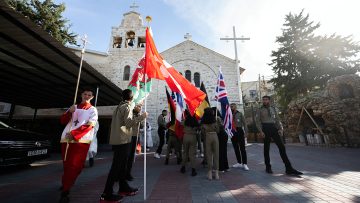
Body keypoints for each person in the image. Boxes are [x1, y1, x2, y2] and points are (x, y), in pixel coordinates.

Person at [100, 89, 148, 202]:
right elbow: (129, 123)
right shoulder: (127, 107)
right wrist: (142, 117)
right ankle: (107, 193)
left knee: (122, 165)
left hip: (119, 139)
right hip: (123, 140)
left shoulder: (119, 106)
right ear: (131, 99)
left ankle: (123, 187)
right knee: (116, 167)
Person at [59, 88, 98, 203]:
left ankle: (67, 185)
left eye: (89, 95)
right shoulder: (73, 107)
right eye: (85, 94)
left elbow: (90, 125)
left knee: (76, 166)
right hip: (66, 140)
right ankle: (66, 188)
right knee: (67, 165)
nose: (86, 96)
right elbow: (62, 121)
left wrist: (75, 134)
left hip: (81, 141)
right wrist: (69, 112)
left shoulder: (93, 110)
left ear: (92, 97)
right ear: (81, 95)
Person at [256, 95, 303, 175]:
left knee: (282, 147)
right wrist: (261, 131)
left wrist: (281, 128)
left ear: (269, 101)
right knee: (266, 149)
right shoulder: (260, 110)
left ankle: (289, 168)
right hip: (265, 128)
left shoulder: (273, 108)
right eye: (263, 100)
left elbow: (277, 119)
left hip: (274, 127)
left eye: (266, 100)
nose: (264, 101)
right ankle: (268, 167)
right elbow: (258, 122)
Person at [201, 107, 220, 180]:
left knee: (208, 155)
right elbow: (218, 130)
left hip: (207, 137)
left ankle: (209, 173)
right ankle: (216, 173)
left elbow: (202, 133)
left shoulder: (203, 123)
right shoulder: (215, 121)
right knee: (216, 154)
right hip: (214, 136)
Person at [230, 103, 249, 171]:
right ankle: (239, 162)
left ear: (235, 106)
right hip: (233, 132)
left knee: (242, 148)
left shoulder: (240, 114)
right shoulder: (229, 114)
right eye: (231, 106)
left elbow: (245, 123)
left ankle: (245, 164)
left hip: (239, 130)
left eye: (232, 106)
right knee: (236, 148)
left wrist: (246, 132)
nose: (231, 107)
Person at [125, 105, 142, 182]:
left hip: (135, 136)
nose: (140, 108)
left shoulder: (138, 115)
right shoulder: (130, 113)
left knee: (132, 156)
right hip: (129, 136)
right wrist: (140, 118)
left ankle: (128, 173)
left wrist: (141, 119)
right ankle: (122, 174)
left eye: (140, 107)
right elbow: (130, 123)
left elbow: (140, 126)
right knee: (126, 156)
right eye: (138, 106)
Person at [180, 110, 199, 176]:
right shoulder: (195, 122)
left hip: (186, 136)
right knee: (192, 154)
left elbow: (180, 123)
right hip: (193, 137)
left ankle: (183, 167)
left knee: (185, 152)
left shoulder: (185, 121)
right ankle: (193, 169)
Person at [213, 107, 229, 173]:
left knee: (220, 152)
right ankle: (226, 167)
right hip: (224, 135)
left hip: (221, 136)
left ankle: (221, 168)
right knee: (224, 151)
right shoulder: (220, 117)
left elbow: (217, 129)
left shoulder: (217, 118)